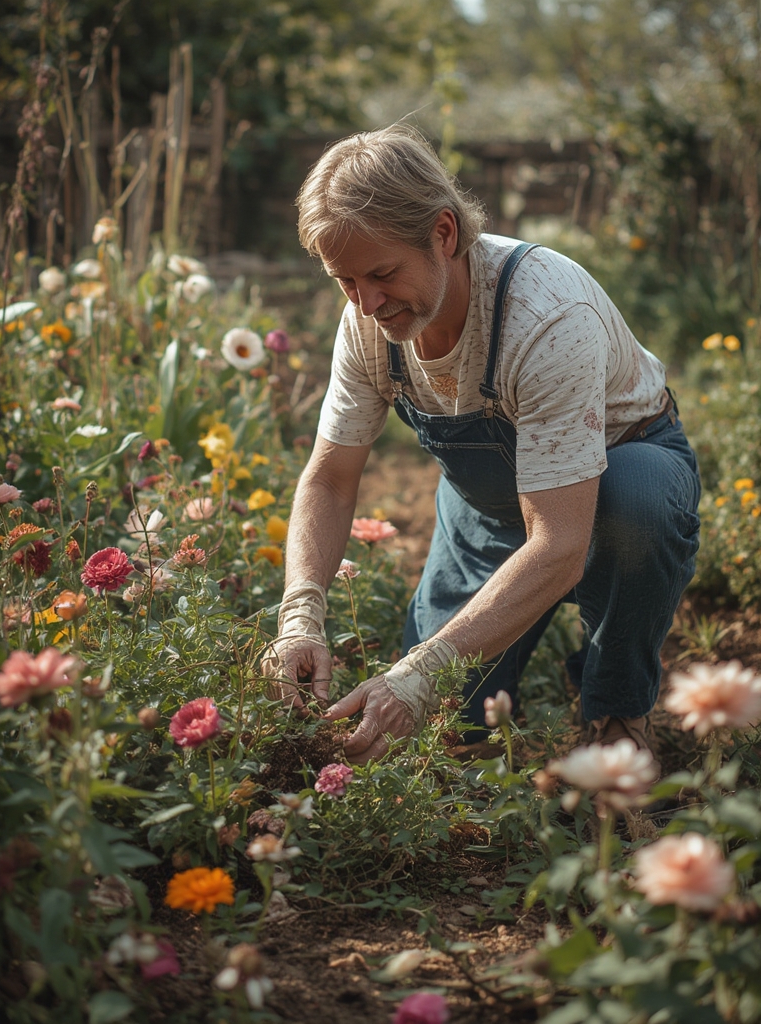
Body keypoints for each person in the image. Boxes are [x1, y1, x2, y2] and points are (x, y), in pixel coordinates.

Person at [261, 124, 701, 765]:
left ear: (443, 233)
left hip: (613, 476)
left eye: (382, 273)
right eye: (346, 282)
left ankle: (615, 709)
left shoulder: (545, 315)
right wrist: (300, 613)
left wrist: (424, 666)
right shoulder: (367, 320)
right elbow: (329, 479)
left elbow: (559, 543)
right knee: (446, 736)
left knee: (636, 509)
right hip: (488, 505)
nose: (367, 303)